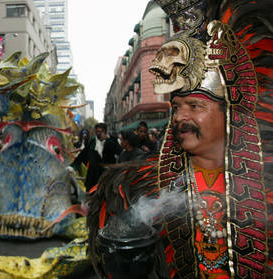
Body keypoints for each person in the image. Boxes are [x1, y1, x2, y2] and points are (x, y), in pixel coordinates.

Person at [87, 2, 272, 278]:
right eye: (176, 106)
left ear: (229, 113)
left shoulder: (265, 185)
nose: (179, 117)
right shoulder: (140, 188)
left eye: (194, 107)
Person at [83, 123, 121, 191]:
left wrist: (107, 140)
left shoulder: (112, 139)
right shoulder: (93, 141)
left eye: (101, 132)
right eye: (97, 131)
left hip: (108, 172)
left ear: (105, 132)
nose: (99, 134)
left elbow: (118, 151)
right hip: (94, 174)